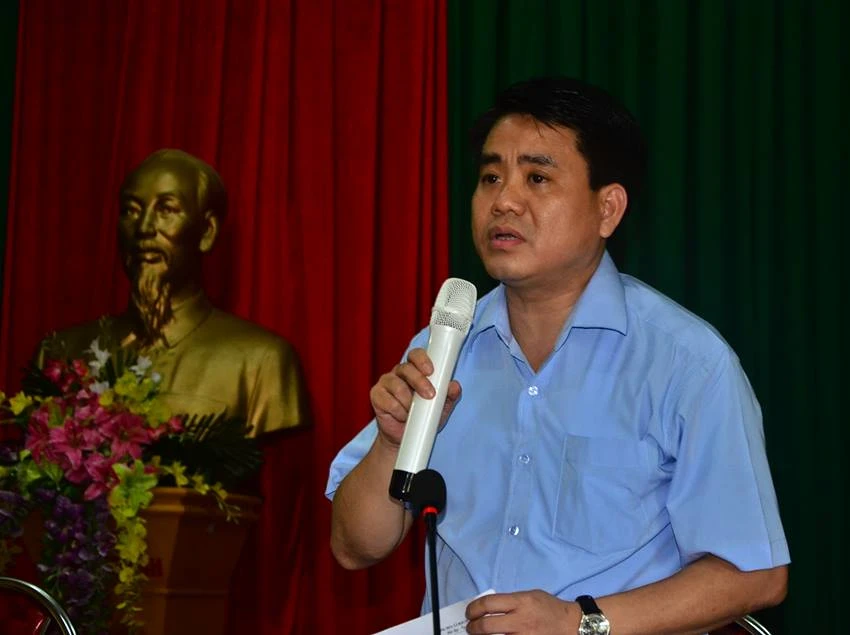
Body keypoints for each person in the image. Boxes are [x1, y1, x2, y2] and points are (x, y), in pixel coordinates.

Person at [327, 77, 789, 635]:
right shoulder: (442, 347)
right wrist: (392, 443)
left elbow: (755, 576)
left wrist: (580, 621)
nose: (504, 201)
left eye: (537, 177)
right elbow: (354, 547)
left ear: (607, 209)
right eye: (490, 177)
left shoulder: (686, 362)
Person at [41, 149, 308, 438]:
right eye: (131, 210)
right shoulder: (61, 353)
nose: (144, 228)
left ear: (207, 232)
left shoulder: (262, 363)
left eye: (166, 210)